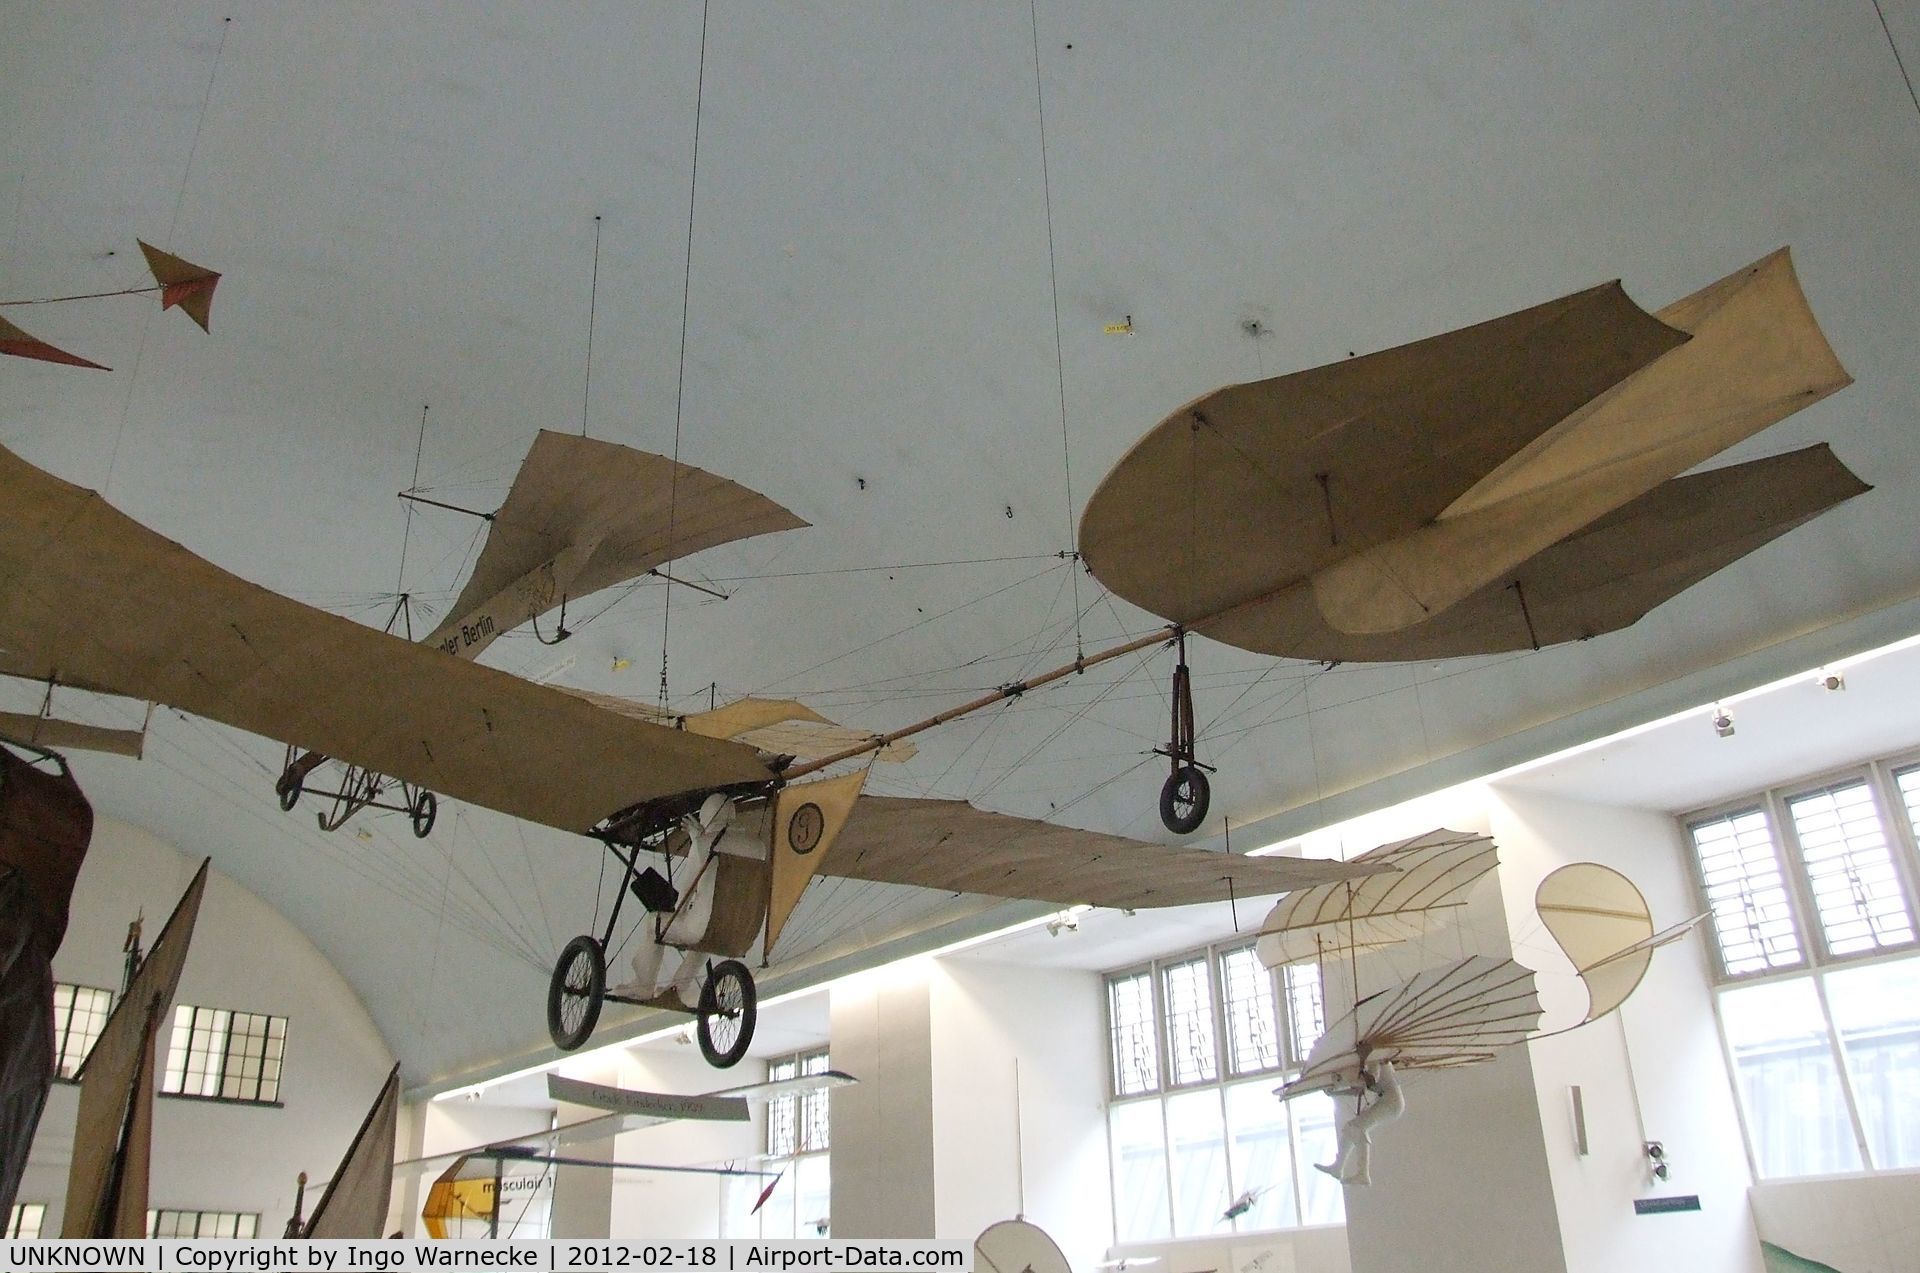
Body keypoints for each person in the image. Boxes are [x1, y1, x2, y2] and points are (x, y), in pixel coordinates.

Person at [612, 793, 733, 1007]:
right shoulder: (757, 848)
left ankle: (643, 984)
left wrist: (698, 841)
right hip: (732, 930)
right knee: (706, 942)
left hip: (699, 927)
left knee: (654, 922)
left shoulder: (704, 844)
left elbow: (687, 890)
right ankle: (678, 988)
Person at [1313, 1060, 1405, 1186]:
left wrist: (1341, 1083)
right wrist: (1335, 1091)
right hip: (1386, 1101)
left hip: (1390, 1103)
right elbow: (1359, 1089)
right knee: (1350, 1127)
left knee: (1358, 1127)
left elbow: (1370, 1081)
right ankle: (1338, 1167)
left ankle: (1362, 1173)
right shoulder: (1372, 1059)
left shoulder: (1375, 1057)